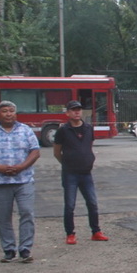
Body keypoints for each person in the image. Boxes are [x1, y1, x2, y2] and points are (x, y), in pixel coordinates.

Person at [0, 101, 41, 262]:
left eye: (11, 111)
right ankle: (9, 249)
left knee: (26, 212)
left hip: (24, 180)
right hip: (0, 181)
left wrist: (21, 167)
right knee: (3, 217)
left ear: (15, 113)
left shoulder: (25, 130)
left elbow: (35, 151)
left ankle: (25, 249)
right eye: (5, 111)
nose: (8, 114)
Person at [53, 100, 109, 245]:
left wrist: (87, 160)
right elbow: (57, 152)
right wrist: (67, 163)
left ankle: (96, 231)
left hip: (86, 173)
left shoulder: (88, 128)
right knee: (70, 205)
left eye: (79, 109)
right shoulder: (63, 130)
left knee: (92, 202)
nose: (77, 112)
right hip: (70, 173)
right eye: (73, 110)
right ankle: (70, 233)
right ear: (68, 113)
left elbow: (89, 146)